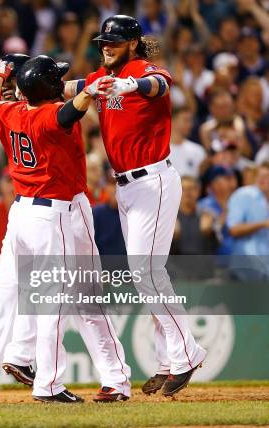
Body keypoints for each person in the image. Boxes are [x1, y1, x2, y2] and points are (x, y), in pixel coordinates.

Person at [0, 55, 117, 404]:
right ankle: (49, 383)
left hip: (19, 214)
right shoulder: (48, 116)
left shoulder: (8, 112)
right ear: (49, 88)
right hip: (51, 215)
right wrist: (90, 92)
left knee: (2, 299)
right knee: (53, 300)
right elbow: (71, 111)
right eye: (56, 80)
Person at [63, 15, 207, 397]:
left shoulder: (143, 68)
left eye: (114, 41)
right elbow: (70, 88)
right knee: (145, 274)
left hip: (153, 180)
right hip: (126, 186)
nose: (106, 46)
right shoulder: (101, 76)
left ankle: (187, 353)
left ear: (132, 42)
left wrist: (134, 83)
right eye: (103, 41)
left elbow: (161, 85)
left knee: (146, 271)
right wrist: (30, 86)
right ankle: (168, 359)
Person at [226, 161, 269, 281]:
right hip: (247, 265)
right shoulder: (243, 195)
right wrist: (263, 224)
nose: (262, 179)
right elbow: (233, 229)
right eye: (260, 176)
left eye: (266, 176)